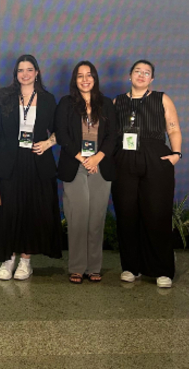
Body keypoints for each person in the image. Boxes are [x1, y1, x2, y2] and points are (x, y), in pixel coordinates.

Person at [0, 54, 62, 281]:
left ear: (37, 72)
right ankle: (8, 259)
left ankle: (26, 261)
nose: (25, 74)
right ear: (15, 74)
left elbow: (61, 130)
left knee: (32, 213)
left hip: (37, 164)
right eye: (21, 70)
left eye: (29, 69)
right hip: (9, 163)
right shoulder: (3, 97)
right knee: (9, 212)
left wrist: (48, 143)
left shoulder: (47, 99)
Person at [111, 60, 182, 288]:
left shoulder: (162, 98)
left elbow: (173, 128)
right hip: (124, 159)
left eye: (146, 73)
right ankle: (131, 267)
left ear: (152, 79)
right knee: (126, 214)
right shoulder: (117, 102)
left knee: (157, 214)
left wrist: (176, 154)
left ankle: (162, 270)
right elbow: (109, 134)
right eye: (137, 72)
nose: (141, 75)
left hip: (155, 158)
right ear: (129, 75)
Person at [55, 61, 117, 284]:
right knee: (78, 216)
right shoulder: (66, 103)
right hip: (75, 165)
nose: (85, 79)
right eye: (80, 75)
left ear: (95, 78)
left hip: (100, 165)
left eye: (89, 75)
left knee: (96, 218)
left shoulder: (107, 104)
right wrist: (83, 158)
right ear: (74, 79)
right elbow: (62, 135)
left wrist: (98, 158)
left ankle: (94, 267)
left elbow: (113, 136)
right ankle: (77, 267)